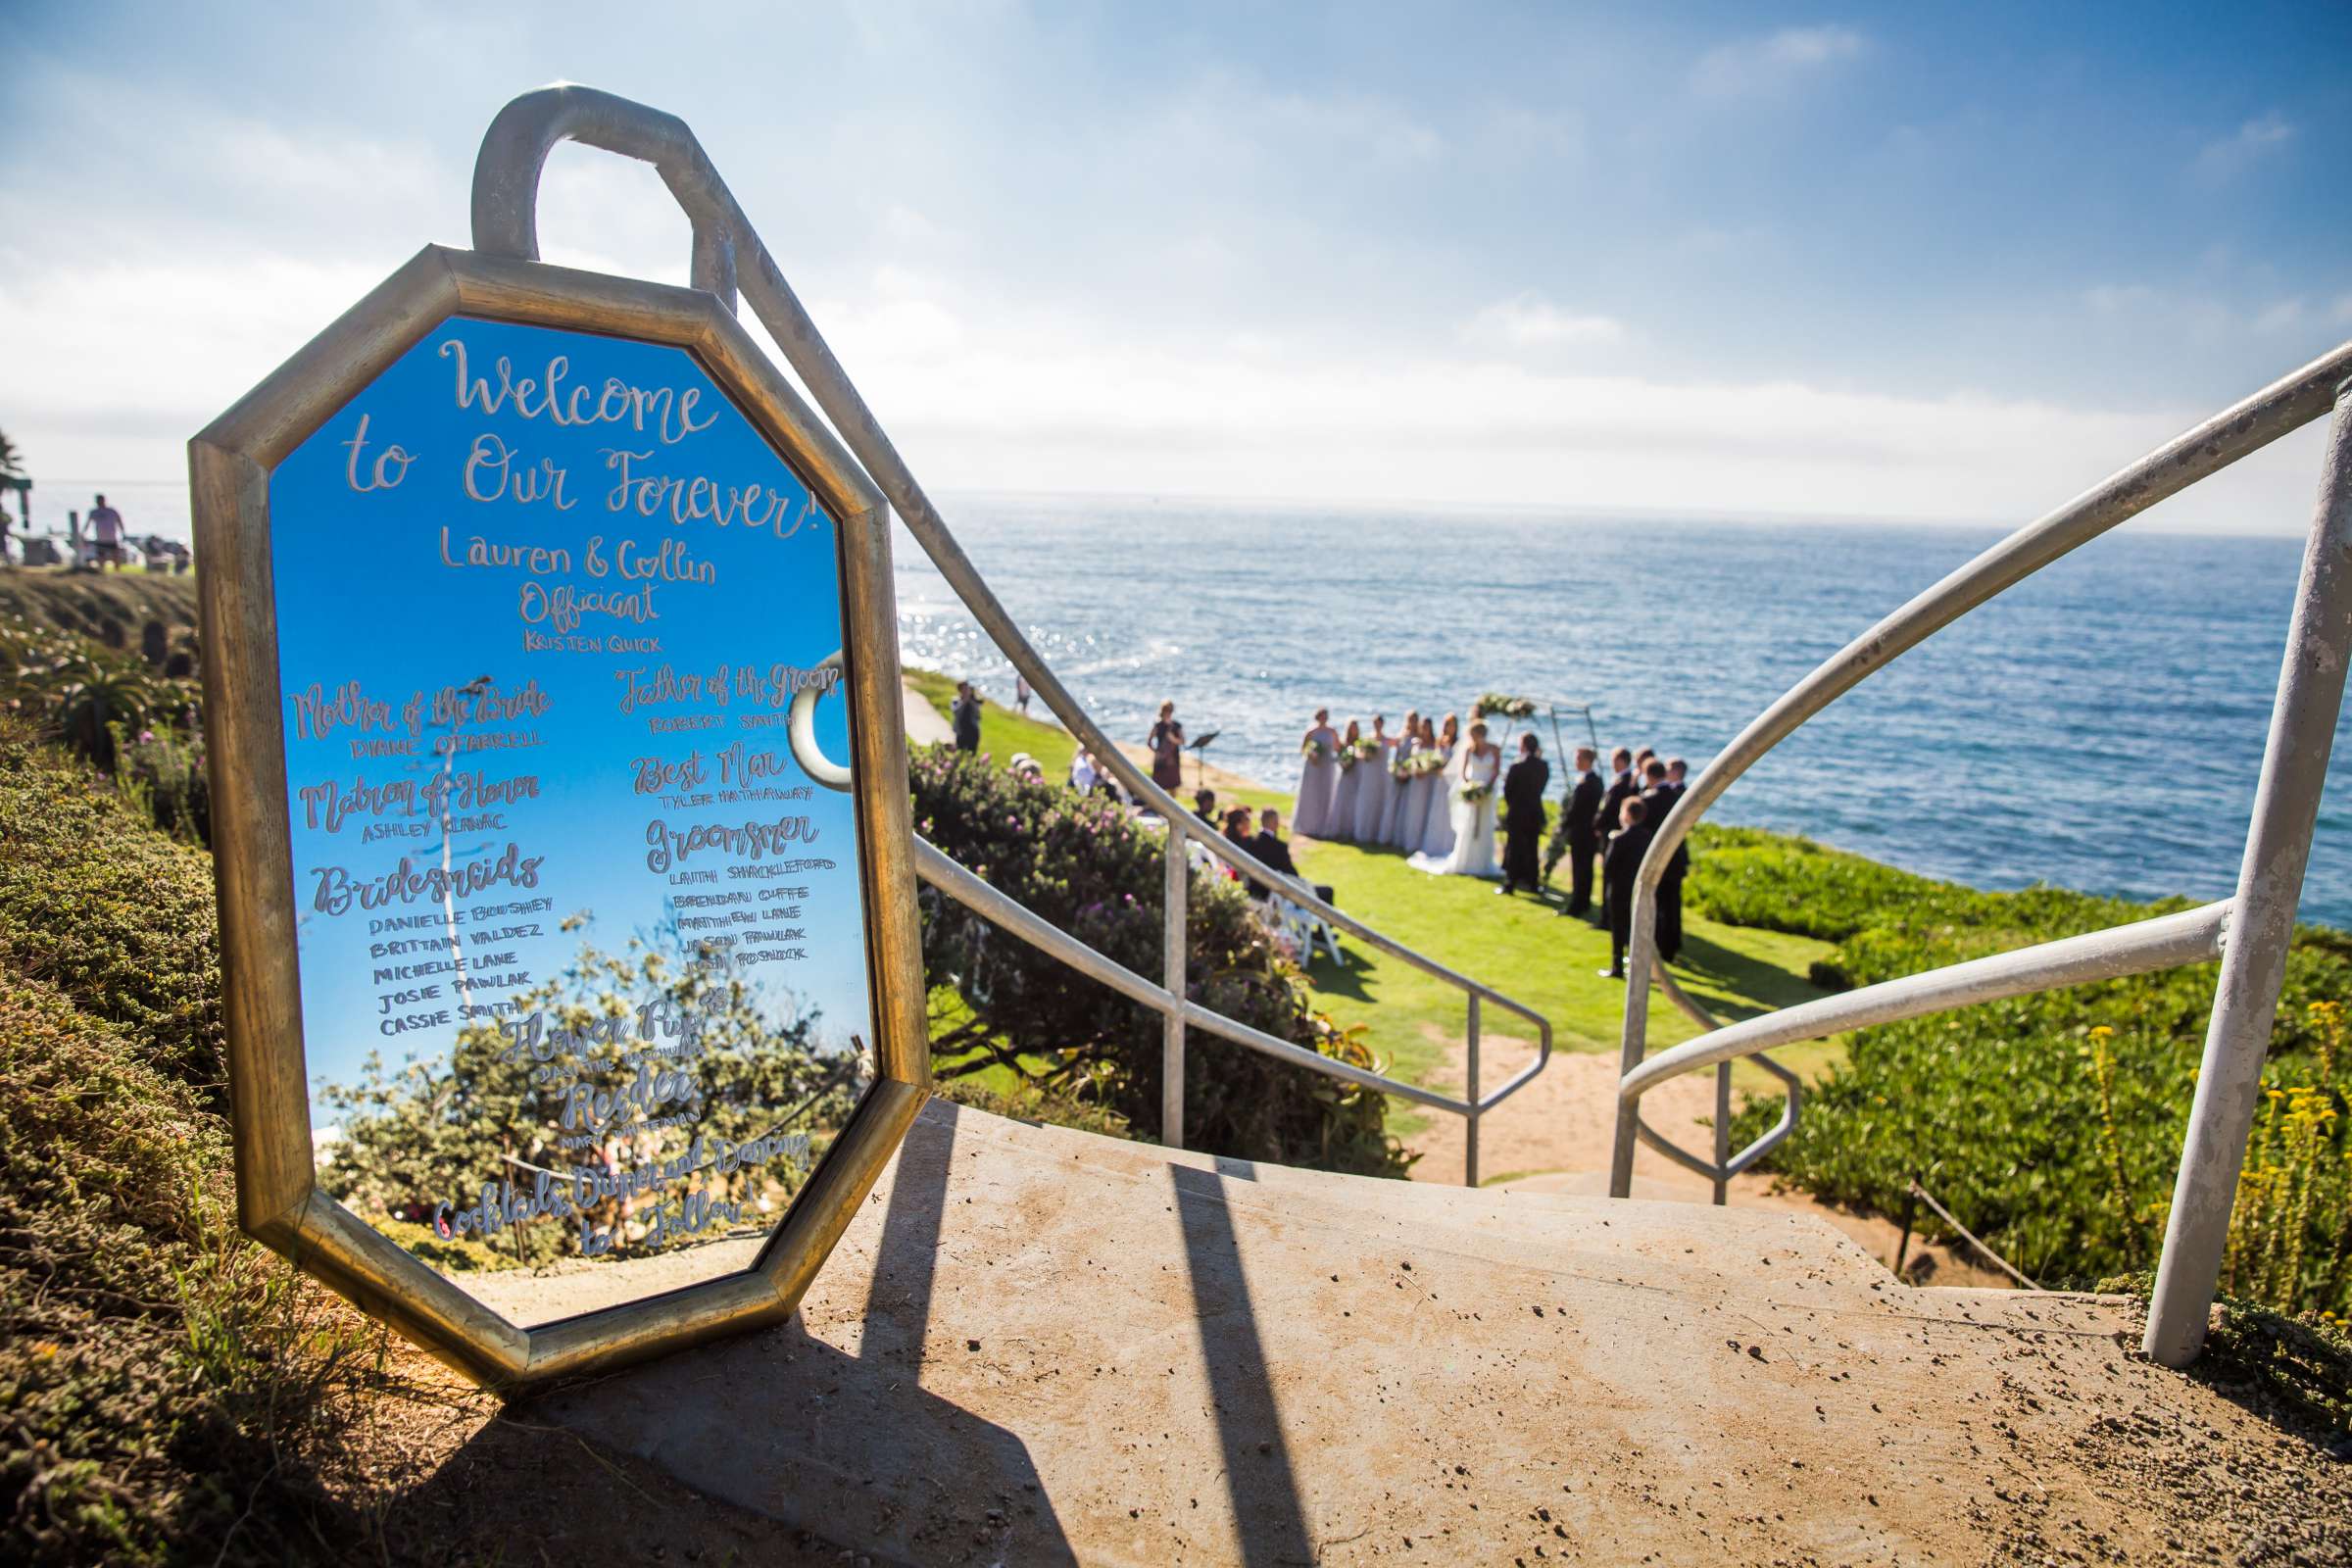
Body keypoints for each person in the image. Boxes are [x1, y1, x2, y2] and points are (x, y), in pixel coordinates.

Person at [1412, 720, 1500, 877]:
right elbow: (1463, 772)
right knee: (1468, 825)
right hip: (1471, 790)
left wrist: (1486, 789)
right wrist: (1470, 788)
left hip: (1487, 791)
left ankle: (1483, 862)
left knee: (1484, 825)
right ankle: (1465, 860)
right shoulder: (1468, 749)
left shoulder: (1494, 749)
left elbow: (1496, 771)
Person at [1639, 759, 1690, 962]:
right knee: (1672, 905)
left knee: (1657, 906)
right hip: (1677, 858)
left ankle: (1658, 948)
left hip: (1660, 860)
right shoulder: (1677, 796)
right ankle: (1672, 945)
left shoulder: (1650, 800)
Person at [1547, 746, 1604, 917]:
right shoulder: (1597, 780)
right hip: (1588, 833)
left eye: (1578, 758)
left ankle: (1577, 905)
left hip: (1581, 833)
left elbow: (1575, 810)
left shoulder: (1586, 783)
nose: (1576, 762)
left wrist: (1563, 826)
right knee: (1585, 869)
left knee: (1580, 869)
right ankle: (1583, 901)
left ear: (1586, 761)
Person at [1600, 796, 1650, 978]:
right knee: (1635, 927)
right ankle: (1637, 966)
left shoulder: (1620, 839)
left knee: (1618, 927)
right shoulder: (1647, 837)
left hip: (1619, 889)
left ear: (1627, 815)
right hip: (1637, 889)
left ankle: (1617, 966)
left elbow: (1608, 866)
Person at [1497, 733, 1550, 895]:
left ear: (1524, 746)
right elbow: (1541, 787)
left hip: (1518, 812)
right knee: (1532, 848)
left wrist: (1513, 803)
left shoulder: (1517, 766)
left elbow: (1508, 791)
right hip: (1535, 811)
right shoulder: (1543, 766)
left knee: (1514, 847)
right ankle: (1533, 883)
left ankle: (1510, 883)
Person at [1412, 712, 1461, 861]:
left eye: (1450, 724)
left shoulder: (1458, 743)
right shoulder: (1440, 742)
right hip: (1439, 782)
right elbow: (1435, 759)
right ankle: (1434, 845)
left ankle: (1449, 845)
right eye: (1446, 724)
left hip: (1451, 783)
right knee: (1437, 811)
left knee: (1449, 812)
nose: (1447, 727)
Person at [1294, 709, 1343, 838]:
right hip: (1313, 766)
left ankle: (1323, 826)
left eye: (1326, 716)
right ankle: (1308, 825)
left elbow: (1338, 748)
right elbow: (1303, 749)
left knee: (1326, 794)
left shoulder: (1332, 731)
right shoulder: (1311, 732)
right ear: (1318, 717)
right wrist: (1312, 754)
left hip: (1327, 766)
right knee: (1311, 794)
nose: (1324, 718)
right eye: (1322, 716)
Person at [1352, 714, 1396, 843]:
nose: (1377, 725)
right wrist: (1366, 754)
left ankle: (1380, 833)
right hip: (1369, 775)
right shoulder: (1367, 739)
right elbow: (1358, 753)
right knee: (1367, 800)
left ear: (1383, 724)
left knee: (1381, 800)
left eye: (1379, 723)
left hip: (1382, 775)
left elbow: (1401, 744)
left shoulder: (1387, 740)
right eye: (1375, 723)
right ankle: (1364, 831)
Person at [1328, 719, 1366, 843]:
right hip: (1345, 776)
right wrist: (1344, 763)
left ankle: (1352, 831)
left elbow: (1364, 757)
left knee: (1354, 803)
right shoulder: (1343, 743)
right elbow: (1337, 754)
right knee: (1342, 801)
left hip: (1356, 776)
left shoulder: (1360, 744)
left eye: (1356, 727)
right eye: (1352, 727)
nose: (1354, 730)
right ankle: (1338, 830)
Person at [1147, 701, 1185, 792]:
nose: (1169, 713)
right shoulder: (1158, 725)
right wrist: (1157, 752)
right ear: (1163, 711)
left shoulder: (1176, 725)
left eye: (1170, 710)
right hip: (1161, 760)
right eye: (1167, 710)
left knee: (1173, 785)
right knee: (1159, 786)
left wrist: (1173, 739)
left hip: (1173, 759)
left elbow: (1182, 741)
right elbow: (1149, 741)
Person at [88, 493, 123, 571]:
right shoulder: (94, 512)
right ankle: (101, 571)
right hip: (100, 539)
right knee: (101, 557)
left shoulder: (112, 511)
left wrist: (123, 532)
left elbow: (119, 521)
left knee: (116, 556)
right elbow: (88, 523)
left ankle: (117, 572)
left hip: (112, 539)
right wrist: (83, 534)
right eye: (98, 500)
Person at [951, 680, 982, 753]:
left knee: (972, 753)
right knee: (959, 752)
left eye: (967, 689)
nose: (966, 691)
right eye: (964, 689)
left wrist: (971, 699)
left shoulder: (973, 701)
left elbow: (977, 713)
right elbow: (956, 711)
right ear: (960, 690)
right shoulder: (956, 700)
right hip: (961, 731)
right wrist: (964, 700)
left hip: (973, 731)